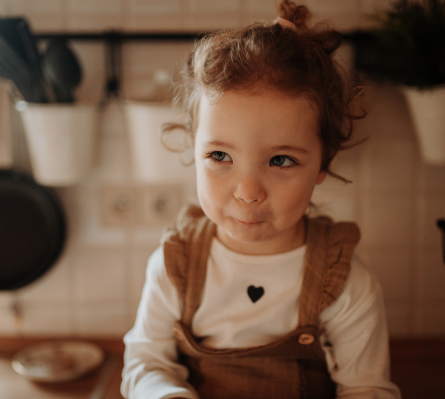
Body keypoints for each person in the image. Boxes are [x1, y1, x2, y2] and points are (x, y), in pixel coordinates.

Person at [122, 1, 401, 398]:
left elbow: (367, 388)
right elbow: (145, 363)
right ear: (193, 150)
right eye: (220, 156)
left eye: (281, 160)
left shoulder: (346, 281)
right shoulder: (174, 264)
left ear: (323, 163)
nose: (248, 192)